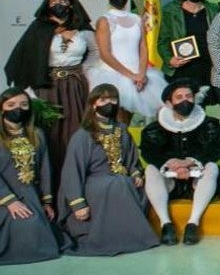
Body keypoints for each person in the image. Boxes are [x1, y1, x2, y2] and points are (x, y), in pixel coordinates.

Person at [58, 84, 159, 256]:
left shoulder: (122, 129)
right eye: (103, 99)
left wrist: (135, 173)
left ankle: (130, 237)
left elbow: (131, 160)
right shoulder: (84, 135)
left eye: (113, 99)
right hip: (93, 181)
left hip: (120, 178)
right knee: (116, 184)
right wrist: (78, 204)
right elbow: (72, 171)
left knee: (130, 183)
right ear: (94, 104)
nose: (109, 103)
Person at [4, 0, 94, 176]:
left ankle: (76, 182)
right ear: (47, 3)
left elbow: (95, 55)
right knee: (50, 136)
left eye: (61, 1)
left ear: (70, 4)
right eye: (53, 1)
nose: (57, 4)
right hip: (48, 88)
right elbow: (26, 58)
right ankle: (51, 188)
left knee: (76, 132)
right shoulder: (39, 27)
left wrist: (86, 76)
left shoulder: (82, 29)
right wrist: (27, 92)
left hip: (76, 88)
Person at [140, 78, 220, 245]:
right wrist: (171, 162)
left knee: (212, 167)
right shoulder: (153, 129)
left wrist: (190, 162)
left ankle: (193, 224)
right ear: (169, 103)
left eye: (189, 96)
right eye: (179, 97)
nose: (185, 100)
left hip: (197, 181)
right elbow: (150, 153)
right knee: (150, 169)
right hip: (169, 181)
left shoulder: (210, 124)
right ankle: (166, 224)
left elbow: (215, 151)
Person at [86, 0, 166, 123]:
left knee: (134, 122)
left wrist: (141, 74)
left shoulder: (136, 19)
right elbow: (105, 54)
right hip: (113, 75)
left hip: (140, 75)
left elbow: (143, 48)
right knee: (117, 121)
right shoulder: (104, 20)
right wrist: (131, 76)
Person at [0, 88, 64, 264]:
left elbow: (45, 170)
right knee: (25, 225)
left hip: (31, 195)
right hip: (5, 197)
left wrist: (47, 202)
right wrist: (9, 201)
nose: (17, 108)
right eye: (11, 105)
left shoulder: (37, 134)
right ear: (1, 108)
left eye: (23, 104)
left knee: (46, 231)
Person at [157, 0, 220, 104]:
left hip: (206, 66)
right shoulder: (170, 10)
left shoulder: (214, 9)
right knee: (181, 104)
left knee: (201, 103)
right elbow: (162, 41)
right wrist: (170, 59)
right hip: (181, 67)